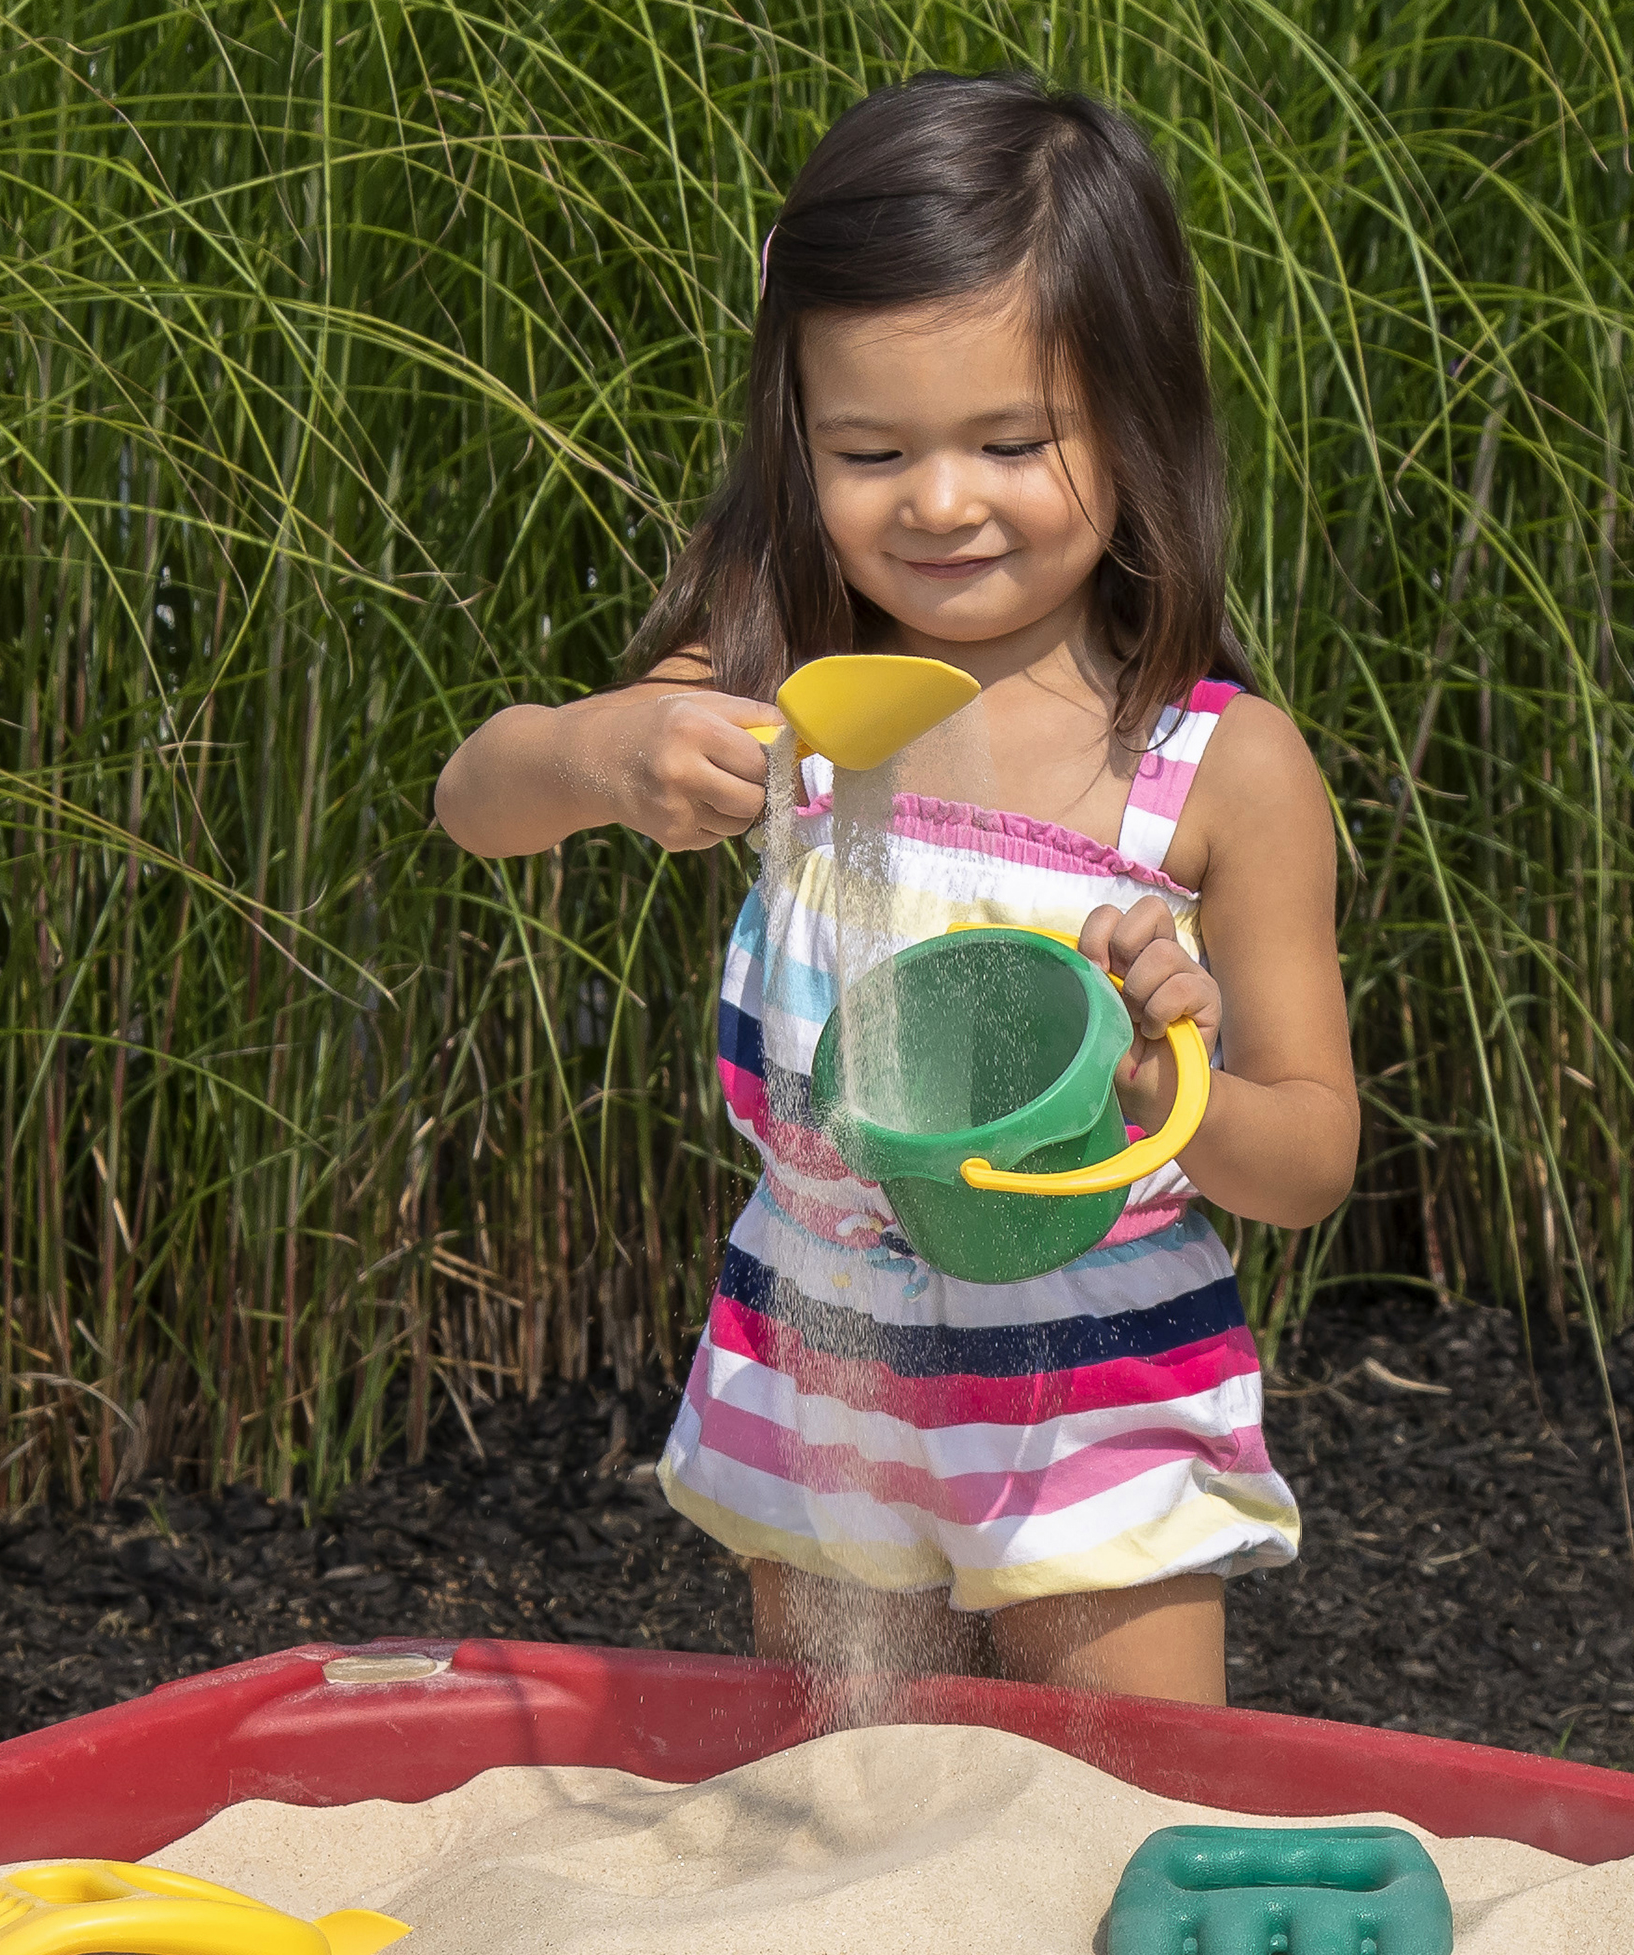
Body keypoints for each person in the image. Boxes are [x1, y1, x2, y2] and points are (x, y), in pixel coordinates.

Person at [433, 74, 1357, 1703]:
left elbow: (1310, 1161)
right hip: (825, 1354)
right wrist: (609, 752)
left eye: (1014, 442)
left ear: (1140, 423)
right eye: (872, 449)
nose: (940, 502)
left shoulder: (1217, 768)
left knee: (1129, 1803)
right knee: (859, 1800)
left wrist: (1167, 1084)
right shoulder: (788, 678)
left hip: (1089, 1387)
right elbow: (474, 797)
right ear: (800, 436)